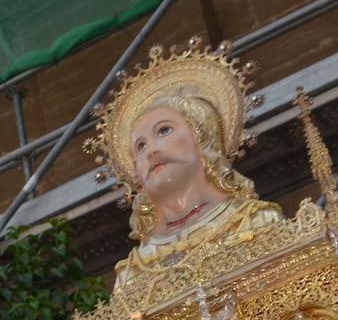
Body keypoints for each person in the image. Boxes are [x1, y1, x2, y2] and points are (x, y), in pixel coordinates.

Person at [86, 39, 284, 294]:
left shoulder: (258, 222)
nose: (152, 151)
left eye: (163, 130)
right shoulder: (132, 274)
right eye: (140, 147)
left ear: (203, 136)